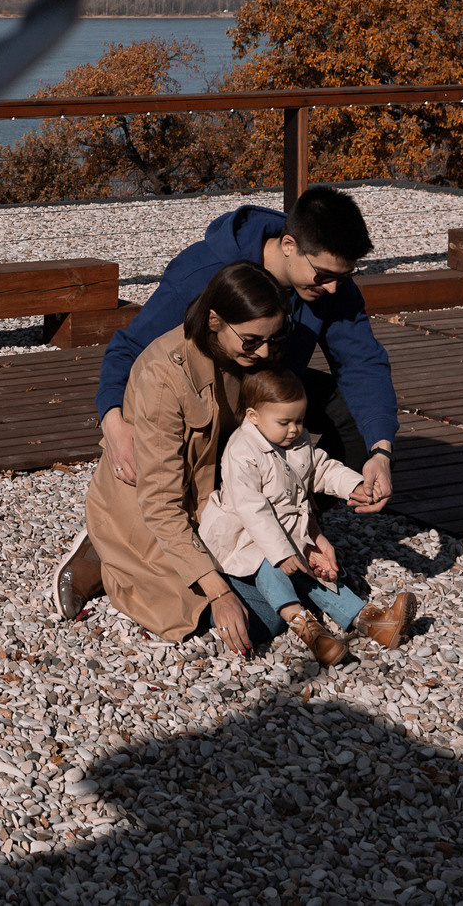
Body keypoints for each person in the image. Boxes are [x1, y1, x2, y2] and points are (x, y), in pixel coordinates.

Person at [95, 185, 398, 512]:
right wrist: (113, 424)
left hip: (264, 391)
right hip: (202, 406)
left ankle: (296, 514)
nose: (334, 287)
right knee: (188, 506)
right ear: (288, 245)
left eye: (344, 276)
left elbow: (362, 365)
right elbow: (130, 348)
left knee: (357, 416)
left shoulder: (333, 286)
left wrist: (380, 452)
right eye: (323, 275)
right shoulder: (203, 271)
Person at [49, 261, 284, 652]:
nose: (263, 352)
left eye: (273, 340)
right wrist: (218, 594)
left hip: (211, 501)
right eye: (251, 341)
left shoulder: (250, 353)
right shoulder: (165, 375)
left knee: (284, 584)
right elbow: (160, 504)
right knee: (260, 618)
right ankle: (105, 556)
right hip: (152, 513)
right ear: (214, 321)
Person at [200, 366, 414, 664]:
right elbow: (253, 509)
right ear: (253, 417)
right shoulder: (241, 451)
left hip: (284, 528)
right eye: (284, 422)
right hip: (243, 537)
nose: (294, 429)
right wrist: (280, 552)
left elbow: (322, 468)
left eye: (300, 420)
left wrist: (353, 485)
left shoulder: (296, 440)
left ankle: (371, 621)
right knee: (270, 567)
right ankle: (310, 631)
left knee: (313, 573)